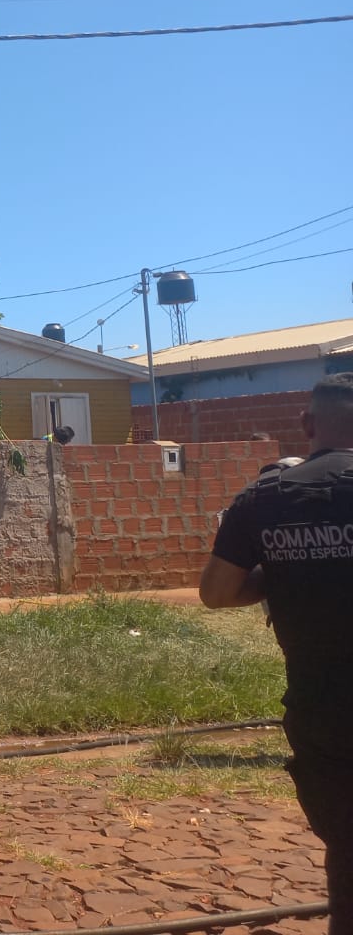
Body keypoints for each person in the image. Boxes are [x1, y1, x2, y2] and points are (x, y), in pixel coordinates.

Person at [200, 372, 353, 934]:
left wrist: (279, 571)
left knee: (346, 843)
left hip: (322, 705)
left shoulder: (263, 498)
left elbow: (215, 593)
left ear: (307, 425)